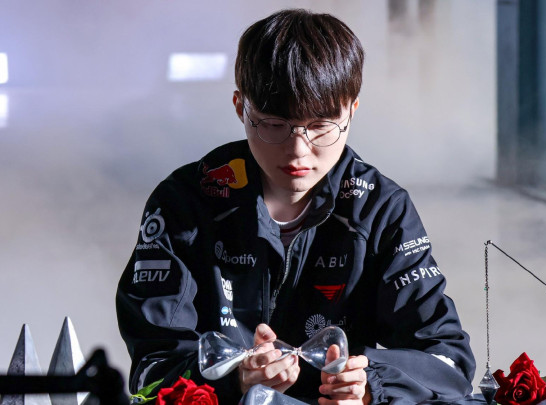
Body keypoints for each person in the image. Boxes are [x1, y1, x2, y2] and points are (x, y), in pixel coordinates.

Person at [116, 8, 475, 405]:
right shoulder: (185, 202)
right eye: (274, 125)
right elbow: (152, 368)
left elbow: (449, 362)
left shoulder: (380, 209)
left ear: (352, 110)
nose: (298, 150)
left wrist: (371, 385)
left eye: (321, 126)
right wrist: (235, 381)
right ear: (240, 106)